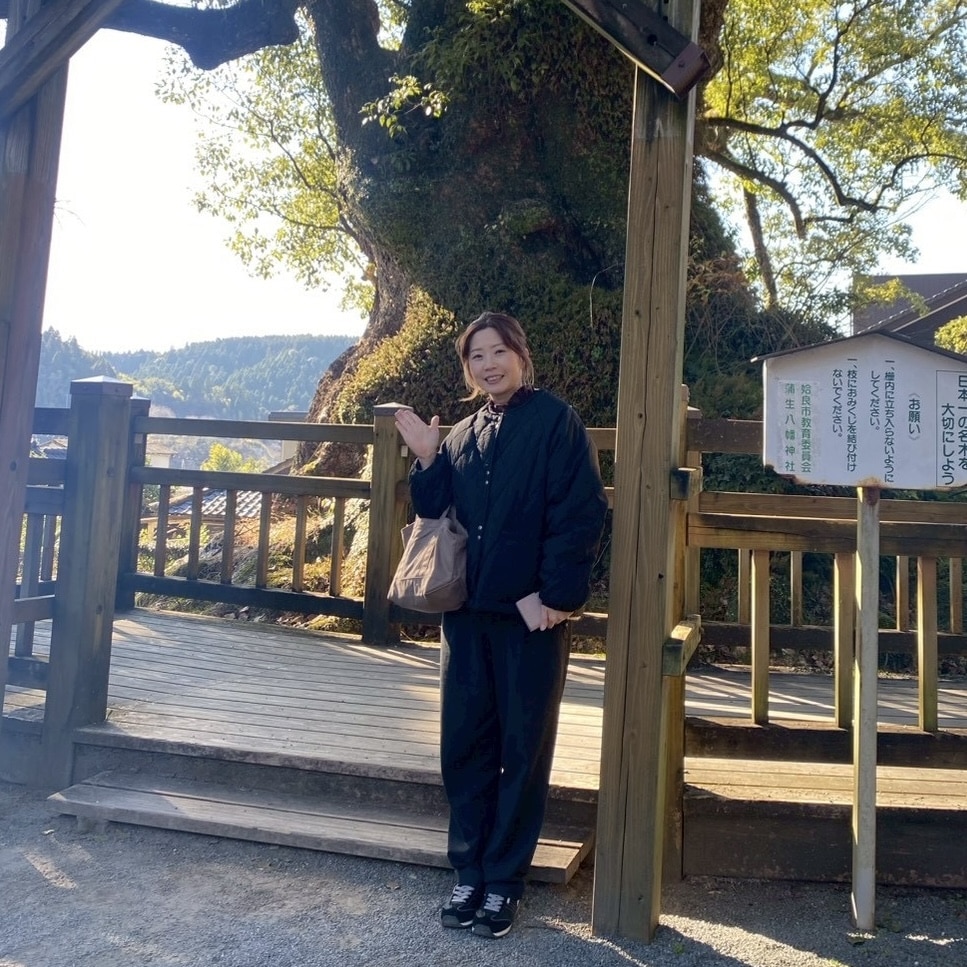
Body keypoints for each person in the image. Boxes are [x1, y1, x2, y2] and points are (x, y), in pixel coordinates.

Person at [394, 311, 608, 940]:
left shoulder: (555, 422)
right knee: (464, 746)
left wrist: (556, 597)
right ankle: (469, 870)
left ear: (520, 353)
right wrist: (430, 461)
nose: (488, 364)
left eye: (498, 351)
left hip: (530, 618)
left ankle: (505, 881)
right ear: (468, 369)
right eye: (476, 356)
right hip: (466, 616)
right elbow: (436, 518)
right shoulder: (460, 435)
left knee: (522, 749)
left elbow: (579, 512)